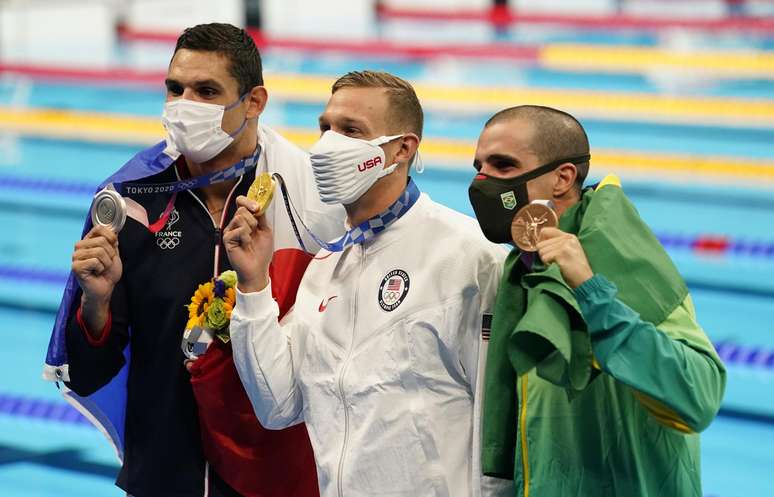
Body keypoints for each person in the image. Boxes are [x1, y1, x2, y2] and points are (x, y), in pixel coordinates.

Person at [43, 23, 343, 497]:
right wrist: (96, 305)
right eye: (174, 88)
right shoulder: (132, 198)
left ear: (254, 102)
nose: (185, 104)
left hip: (272, 477)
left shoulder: (310, 203)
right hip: (164, 471)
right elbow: (91, 372)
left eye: (206, 91)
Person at [224, 71, 512, 497]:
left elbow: (498, 428)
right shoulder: (325, 266)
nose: (327, 144)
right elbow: (277, 405)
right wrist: (253, 286)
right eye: (326, 127)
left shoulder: (470, 257)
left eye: (350, 130)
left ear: (401, 149)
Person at [468, 105, 727, 497]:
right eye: (479, 167)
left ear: (562, 178)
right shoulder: (524, 271)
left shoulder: (621, 259)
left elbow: (698, 394)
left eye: (503, 166)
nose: (482, 182)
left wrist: (590, 290)